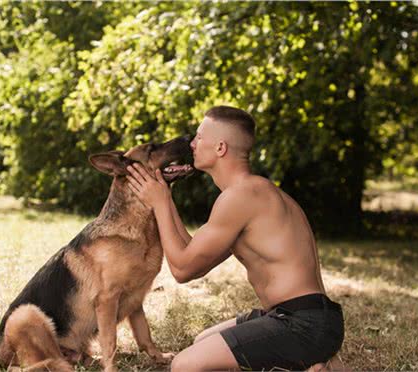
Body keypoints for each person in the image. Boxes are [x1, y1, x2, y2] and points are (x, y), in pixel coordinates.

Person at [126, 106, 345, 372]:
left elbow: (182, 270)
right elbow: (193, 256)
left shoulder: (242, 196)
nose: (192, 144)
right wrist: (165, 197)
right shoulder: (252, 192)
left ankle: (311, 362)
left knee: (185, 365)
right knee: (202, 341)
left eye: (199, 137)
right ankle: (310, 366)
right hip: (297, 317)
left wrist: (159, 205)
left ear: (220, 148)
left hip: (303, 324)